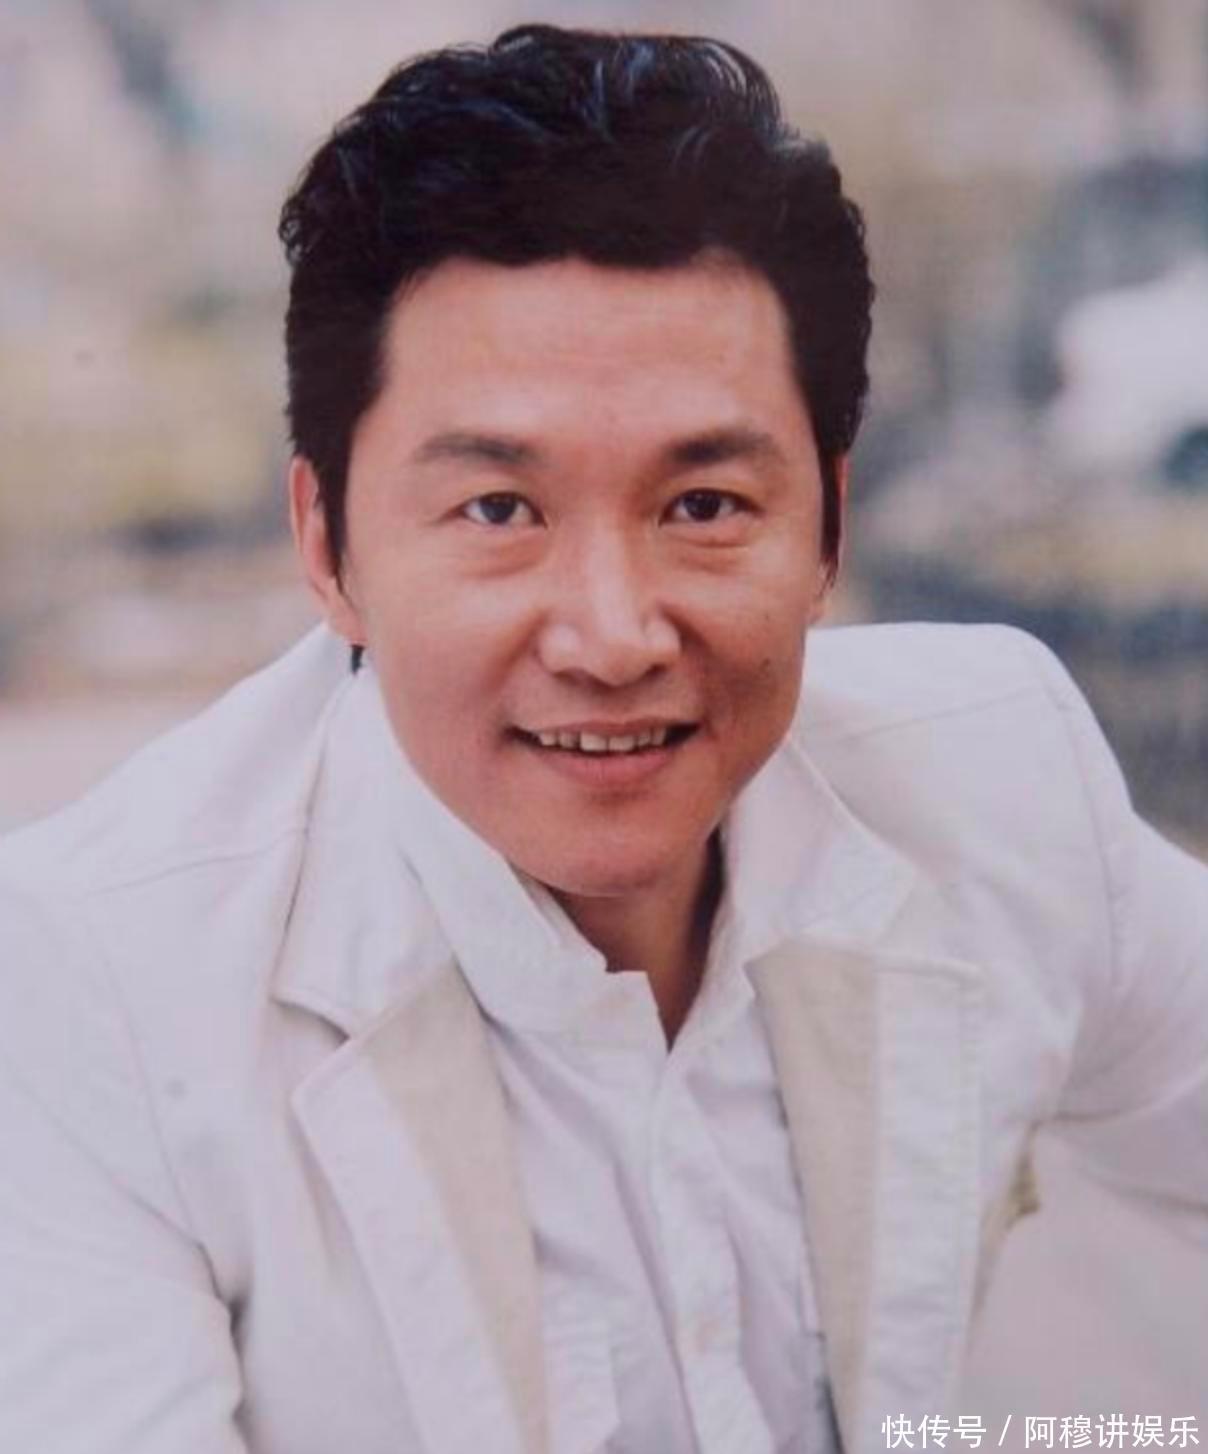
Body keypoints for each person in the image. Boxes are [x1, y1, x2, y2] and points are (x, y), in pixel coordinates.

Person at [0, 23, 1204, 1454]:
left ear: (829, 524)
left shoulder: (999, 780)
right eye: (498, 510)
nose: (614, 635)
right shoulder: (91, 979)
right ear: (327, 546)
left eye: (704, 506)